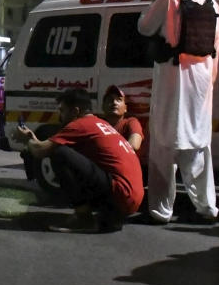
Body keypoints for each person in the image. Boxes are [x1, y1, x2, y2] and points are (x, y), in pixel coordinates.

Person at [137, 0, 219, 224]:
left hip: (174, 84)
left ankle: (161, 211)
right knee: (198, 148)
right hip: (201, 87)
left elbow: (144, 27)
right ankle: (206, 208)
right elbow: (216, 51)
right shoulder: (212, 4)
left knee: (163, 147)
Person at [14, 88, 143, 233]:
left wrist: (26, 140)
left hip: (120, 196)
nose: (60, 116)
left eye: (62, 111)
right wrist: (33, 139)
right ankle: (108, 217)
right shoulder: (100, 123)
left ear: (75, 111)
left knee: (59, 153)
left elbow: (40, 151)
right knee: (67, 151)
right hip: (131, 198)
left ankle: (84, 218)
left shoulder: (80, 124)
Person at [100, 85, 144, 152]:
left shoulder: (131, 122)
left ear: (125, 108)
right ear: (103, 106)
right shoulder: (97, 123)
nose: (114, 103)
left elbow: (134, 145)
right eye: (110, 100)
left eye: (119, 100)